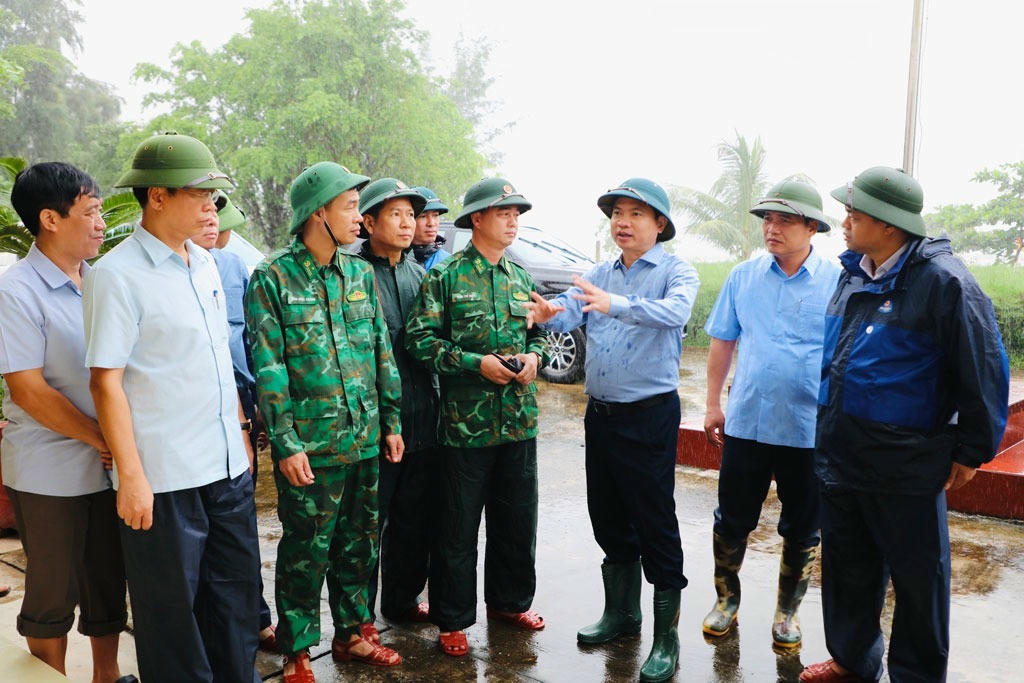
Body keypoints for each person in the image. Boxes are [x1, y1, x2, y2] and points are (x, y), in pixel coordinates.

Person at [800, 167, 1010, 683]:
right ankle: (853, 661)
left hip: (906, 466)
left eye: (855, 214)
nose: (844, 222)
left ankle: (916, 675)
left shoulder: (943, 282)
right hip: (841, 454)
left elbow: (983, 368)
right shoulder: (853, 272)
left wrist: (971, 450)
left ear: (889, 225)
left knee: (919, 583)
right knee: (848, 571)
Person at [83, 133, 261, 683]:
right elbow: (105, 382)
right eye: (199, 192)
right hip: (164, 478)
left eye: (214, 192)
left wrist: (241, 433)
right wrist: (131, 475)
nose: (212, 204)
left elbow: (215, 360)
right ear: (156, 196)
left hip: (225, 467)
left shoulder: (206, 263)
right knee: (169, 618)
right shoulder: (116, 275)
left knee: (234, 601)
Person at [525, 178, 699, 682]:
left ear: (659, 224)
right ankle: (623, 613)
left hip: (648, 416)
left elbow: (676, 313)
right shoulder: (600, 272)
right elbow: (570, 313)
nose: (622, 222)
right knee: (607, 515)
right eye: (617, 213)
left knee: (655, 522)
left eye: (635, 214)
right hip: (601, 415)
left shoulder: (675, 271)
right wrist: (547, 315)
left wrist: (616, 304)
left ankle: (666, 638)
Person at [245, 162, 404, 682]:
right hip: (311, 447)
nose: (359, 217)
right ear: (319, 212)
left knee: (360, 544)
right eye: (351, 207)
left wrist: (391, 420)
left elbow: (381, 349)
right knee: (305, 551)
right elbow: (268, 369)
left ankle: (352, 634)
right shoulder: (272, 278)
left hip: (363, 437)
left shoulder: (357, 272)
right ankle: (296, 651)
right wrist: (286, 443)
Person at [405, 177, 549, 658]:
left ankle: (509, 603)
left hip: (518, 424)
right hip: (466, 428)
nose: (513, 220)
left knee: (516, 521)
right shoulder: (445, 277)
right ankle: (452, 618)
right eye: (503, 212)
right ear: (477, 219)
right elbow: (419, 342)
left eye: (517, 213)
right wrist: (474, 363)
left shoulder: (520, 277)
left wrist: (533, 359)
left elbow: (536, 337)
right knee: (458, 528)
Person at [0, 162, 129, 681]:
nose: (101, 223)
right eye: (91, 212)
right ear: (50, 219)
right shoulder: (18, 291)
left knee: (106, 582)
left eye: (100, 211)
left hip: (108, 465)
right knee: (52, 593)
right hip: (50, 471)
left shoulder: (101, 281)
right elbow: (28, 389)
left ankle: (106, 675)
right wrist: (101, 437)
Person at [700, 180, 840, 648]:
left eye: (784, 220)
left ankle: (787, 613)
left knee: (803, 525)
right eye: (767, 219)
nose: (771, 228)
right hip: (748, 423)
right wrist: (713, 402)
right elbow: (723, 339)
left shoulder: (837, 281)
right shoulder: (744, 277)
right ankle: (726, 602)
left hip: (808, 428)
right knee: (732, 518)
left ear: (812, 228)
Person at [356, 179, 440, 625]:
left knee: (414, 519)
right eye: (396, 214)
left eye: (412, 215)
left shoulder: (420, 275)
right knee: (369, 521)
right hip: (374, 422)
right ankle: (360, 616)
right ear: (368, 222)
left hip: (423, 416)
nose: (408, 223)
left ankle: (403, 600)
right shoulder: (353, 274)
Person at [200, 193, 277, 652]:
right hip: (192, 412)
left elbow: (251, 338)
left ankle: (257, 619)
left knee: (240, 525)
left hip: (240, 402)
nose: (214, 226)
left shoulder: (234, 266)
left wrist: (257, 412)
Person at [409, 186, 451, 269]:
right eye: (423, 216)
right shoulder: (394, 261)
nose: (431, 223)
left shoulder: (450, 265)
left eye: (435, 215)